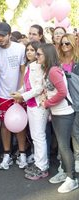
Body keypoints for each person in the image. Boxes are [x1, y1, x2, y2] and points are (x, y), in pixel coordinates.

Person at [39, 43, 78, 193]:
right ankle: (66, 173)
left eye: (39, 54)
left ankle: (71, 179)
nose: (37, 57)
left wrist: (47, 103)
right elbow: (53, 89)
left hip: (64, 113)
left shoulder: (53, 71)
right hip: (57, 113)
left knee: (64, 146)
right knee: (63, 147)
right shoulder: (49, 70)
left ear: (47, 55)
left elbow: (62, 92)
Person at [12, 41, 49, 180]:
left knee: (39, 137)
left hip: (39, 105)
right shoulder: (29, 66)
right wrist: (19, 92)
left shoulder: (41, 66)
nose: (29, 52)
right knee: (35, 136)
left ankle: (42, 167)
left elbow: (39, 88)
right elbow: (27, 86)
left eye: (32, 50)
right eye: (27, 50)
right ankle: (40, 164)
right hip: (30, 105)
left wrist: (23, 96)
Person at [0, 22, 27, 170]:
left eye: (2, 35)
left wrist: (20, 91)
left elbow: (23, 71)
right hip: (2, 94)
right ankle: (7, 154)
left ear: (9, 35)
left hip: (18, 94)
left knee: (20, 125)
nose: (0, 38)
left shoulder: (20, 48)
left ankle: (22, 155)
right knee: (5, 125)